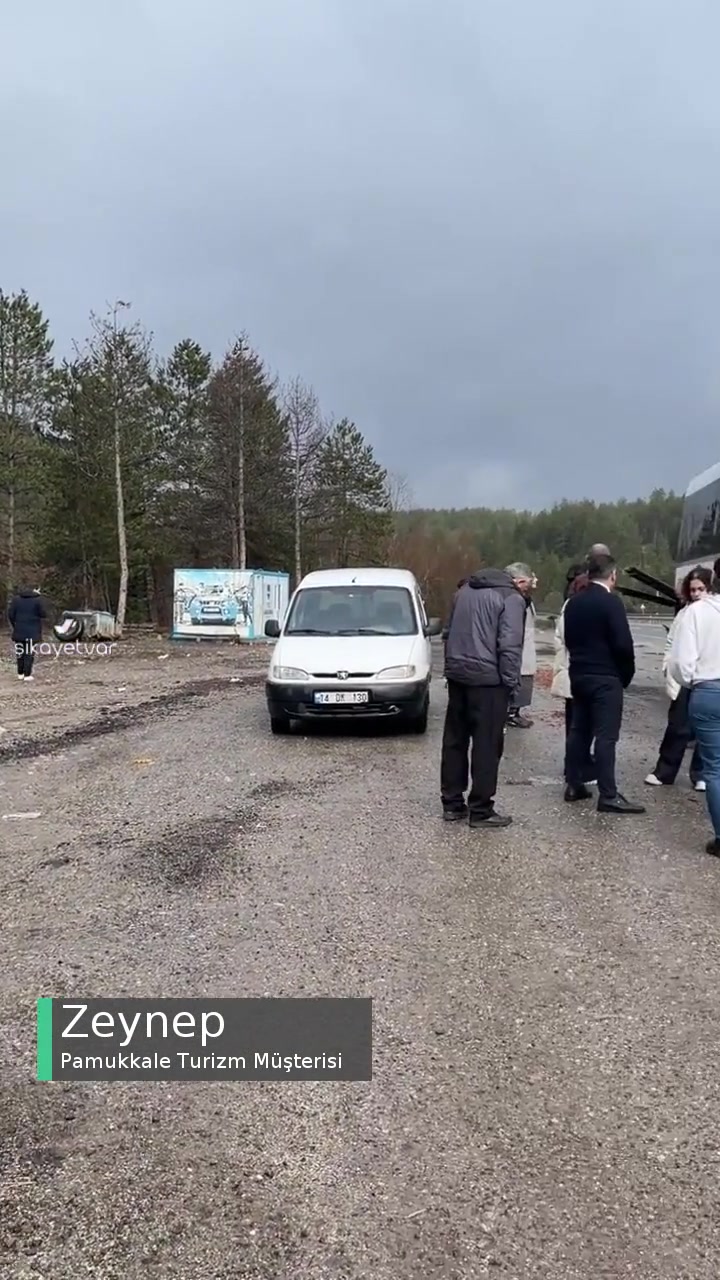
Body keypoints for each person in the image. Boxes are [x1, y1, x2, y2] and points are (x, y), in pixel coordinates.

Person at [441, 568, 526, 828]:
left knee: (455, 741)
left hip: (458, 676)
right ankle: (481, 809)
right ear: (515, 581)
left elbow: (448, 632)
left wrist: (451, 667)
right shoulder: (511, 599)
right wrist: (511, 684)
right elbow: (509, 645)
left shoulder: (463, 592)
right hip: (489, 681)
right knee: (487, 745)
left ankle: (452, 803)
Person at [563, 553, 645, 813]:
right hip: (605, 676)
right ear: (613, 575)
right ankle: (608, 794)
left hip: (579, 673)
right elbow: (623, 643)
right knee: (606, 736)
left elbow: (568, 638)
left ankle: (574, 783)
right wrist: (625, 674)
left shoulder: (573, 603)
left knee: (579, 731)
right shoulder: (612, 603)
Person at [645, 566, 711, 791]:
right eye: (692, 589)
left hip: (707, 677)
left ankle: (701, 774)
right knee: (677, 726)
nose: (695, 593)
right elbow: (672, 642)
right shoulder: (684, 613)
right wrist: (669, 667)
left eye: (700, 589)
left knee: (705, 728)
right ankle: (665, 771)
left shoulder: (713, 612)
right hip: (686, 677)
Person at [668, 578, 720, 855]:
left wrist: (691, 681)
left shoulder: (696, 611)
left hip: (708, 690)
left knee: (714, 768)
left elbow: (680, 661)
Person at [551, 568, 597, 784]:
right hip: (579, 672)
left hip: (572, 673)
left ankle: (574, 767)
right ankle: (578, 769)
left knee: (576, 725)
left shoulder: (569, 606)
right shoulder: (575, 607)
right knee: (580, 726)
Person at [504, 562, 536, 728]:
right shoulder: (512, 600)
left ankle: (514, 711)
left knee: (524, 678)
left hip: (525, 647)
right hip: (517, 648)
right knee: (517, 679)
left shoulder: (525, 599)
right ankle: (510, 712)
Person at [8, 585, 47, 681]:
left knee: (20, 652)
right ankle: (27, 674)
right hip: (32, 631)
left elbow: (11, 614)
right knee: (29, 653)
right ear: (36, 590)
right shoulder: (37, 600)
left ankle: (20, 673)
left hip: (19, 630)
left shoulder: (16, 600)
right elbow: (43, 614)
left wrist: (15, 625)